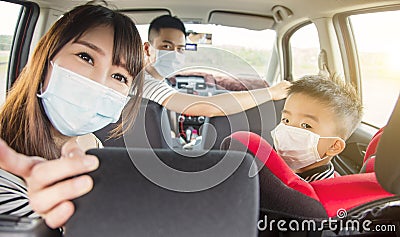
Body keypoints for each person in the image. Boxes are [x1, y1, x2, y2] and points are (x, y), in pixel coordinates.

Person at [0, 4, 143, 228]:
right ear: (45, 59)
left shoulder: (90, 143)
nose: (99, 83)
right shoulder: (5, 173)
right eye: (85, 57)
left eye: (119, 76)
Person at [142, 15, 290, 117]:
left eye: (180, 48)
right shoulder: (145, 83)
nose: (174, 54)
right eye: (166, 46)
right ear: (148, 49)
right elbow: (207, 107)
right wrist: (271, 93)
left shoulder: (156, 81)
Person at [270, 75, 363, 182]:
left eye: (306, 125)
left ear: (333, 146)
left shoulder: (316, 193)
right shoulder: (275, 168)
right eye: (286, 120)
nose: (289, 130)